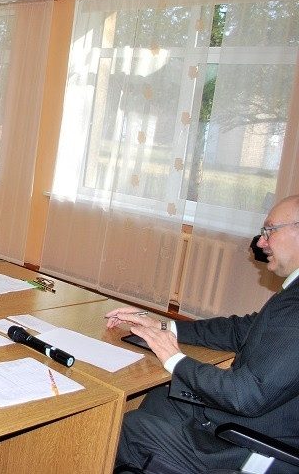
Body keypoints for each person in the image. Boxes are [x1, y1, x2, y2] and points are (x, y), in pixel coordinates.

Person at [106, 194, 299, 474]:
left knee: (128, 428)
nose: (260, 242)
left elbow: (246, 395)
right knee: (162, 397)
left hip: (252, 445)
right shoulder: (293, 292)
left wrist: (175, 359)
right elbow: (240, 329)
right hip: (255, 420)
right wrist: (164, 326)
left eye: (270, 230)